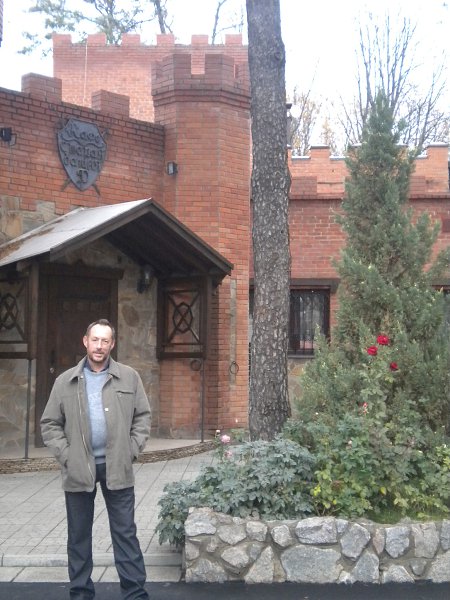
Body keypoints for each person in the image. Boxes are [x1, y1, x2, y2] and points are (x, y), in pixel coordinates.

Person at [41, 319, 151, 600]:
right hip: (79, 470)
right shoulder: (64, 381)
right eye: (95, 340)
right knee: (78, 536)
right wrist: (68, 457)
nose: (99, 346)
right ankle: (80, 593)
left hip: (117, 467)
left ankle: (135, 593)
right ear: (85, 342)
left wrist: (131, 450)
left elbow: (142, 417)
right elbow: (50, 423)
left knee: (125, 534)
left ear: (112, 344)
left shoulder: (129, 377)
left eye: (105, 341)